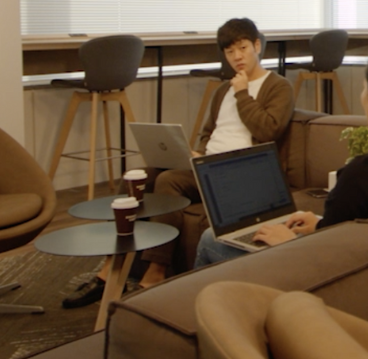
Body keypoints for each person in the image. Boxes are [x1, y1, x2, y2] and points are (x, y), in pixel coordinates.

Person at [62, 18, 294, 308]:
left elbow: (269, 130)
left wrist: (242, 93)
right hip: (208, 164)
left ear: (257, 46)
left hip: (240, 171)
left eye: (243, 48)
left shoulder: (278, 86)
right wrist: (198, 153)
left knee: (168, 181)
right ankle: (110, 269)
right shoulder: (223, 90)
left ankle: (156, 272)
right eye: (229, 51)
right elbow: (210, 132)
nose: (237, 56)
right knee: (138, 176)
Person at [194, 40, 368, 267]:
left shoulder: (362, 176)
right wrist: (320, 225)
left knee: (209, 240)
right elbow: (361, 232)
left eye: (363, 88)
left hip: (324, 280)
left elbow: (326, 263)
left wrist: (288, 242)